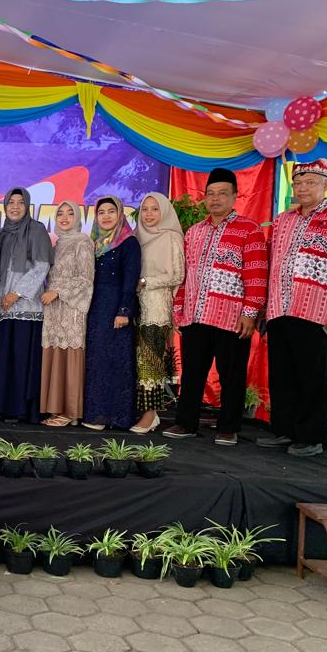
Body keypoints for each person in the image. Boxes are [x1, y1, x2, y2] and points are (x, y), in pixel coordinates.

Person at [259, 158, 327, 457]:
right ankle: (284, 430)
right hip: (280, 307)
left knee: (314, 376)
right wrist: (264, 305)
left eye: (310, 182)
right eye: (298, 183)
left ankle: (310, 437)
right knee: (282, 374)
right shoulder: (282, 220)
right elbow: (271, 264)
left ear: (326, 185)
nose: (302, 188)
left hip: (318, 311)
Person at [164, 168, 267, 446]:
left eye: (222, 193)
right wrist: (179, 309)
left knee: (231, 375)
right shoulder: (194, 232)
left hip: (231, 318)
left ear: (234, 196)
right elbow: (184, 274)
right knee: (193, 372)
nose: (215, 199)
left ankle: (228, 427)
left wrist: (250, 313)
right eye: (210, 193)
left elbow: (257, 274)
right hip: (195, 315)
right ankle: (185, 423)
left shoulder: (249, 230)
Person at [0, 187, 54, 423]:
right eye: (11, 202)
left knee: (21, 359)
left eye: (20, 202)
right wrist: (2, 298)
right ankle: (3, 407)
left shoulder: (36, 229)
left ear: (27, 205)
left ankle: (21, 409)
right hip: (4, 307)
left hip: (26, 307)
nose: (15, 207)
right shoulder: (2, 233)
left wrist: (16, 293)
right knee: (5, 359)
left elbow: (42, 266)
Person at [83, 196, 142, 430]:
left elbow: (131, 279)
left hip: (116, 308)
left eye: (111, 211)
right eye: (101, 212)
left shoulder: (129, 242)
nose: (106, 216)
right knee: (97, 360)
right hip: (96, 307)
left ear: (120, 215)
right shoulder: (94, 243)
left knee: (116, 360)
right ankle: (97, 414)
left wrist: (124, 310)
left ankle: (117, 416)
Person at [131, 192, 185, 434]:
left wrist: (146, 281)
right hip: (136, 307)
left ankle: (151, 414)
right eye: (145, 209)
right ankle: (141, 410)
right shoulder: (136, 237)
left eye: (154, 209)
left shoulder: (171, 237)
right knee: (137, 361)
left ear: (164, 211)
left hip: (156, 307)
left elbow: (177, 275)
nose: (149, 214)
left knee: (150, 361)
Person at [41, 200, 94, 427]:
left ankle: (71, 411)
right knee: (56, 356)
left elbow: (85, 278)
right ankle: (57, 408)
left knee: (70, 356)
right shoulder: (57, 244)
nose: (64, 218)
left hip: (71, 308)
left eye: (69, 213)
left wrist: (58, 292)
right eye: (60, 214)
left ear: (78, 218)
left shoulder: (83, 242)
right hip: (53, 309)